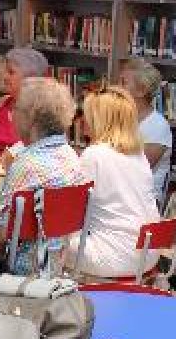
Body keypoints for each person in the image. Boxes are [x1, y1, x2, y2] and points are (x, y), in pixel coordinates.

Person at [0, 78, 89, 277]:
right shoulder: (72, 157)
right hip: (52, 262)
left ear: (31, 118)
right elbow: (34, 209)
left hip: (15, 266)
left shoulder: (26, 165)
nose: (11, 116)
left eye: (16, 110)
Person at [66, 86, 161, 278]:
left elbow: (72, 210)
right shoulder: (138, 154)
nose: (80, 120)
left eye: (86, 114)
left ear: (101, 120)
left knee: (46, 238)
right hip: (147, 254)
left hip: (110, 256)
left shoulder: (94, 154)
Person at [0, 47, 49, 161]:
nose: (4, 77)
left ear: (30, 78)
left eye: (11, 72)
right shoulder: (2, 102)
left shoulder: (42, 110)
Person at [119, 59, 172, 202]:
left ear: (141, 91)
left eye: (124, 83)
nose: (118, 88)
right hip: (120, 193)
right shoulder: (121, 118)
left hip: (143, 200)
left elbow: (139, 169)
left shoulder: (158, 126)